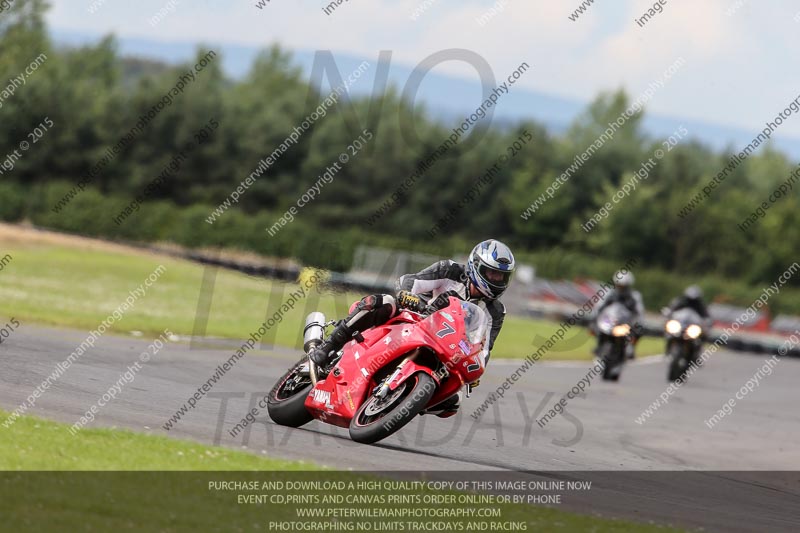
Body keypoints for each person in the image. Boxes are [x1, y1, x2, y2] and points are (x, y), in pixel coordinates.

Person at [309, 239, 516, 417]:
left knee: (454, 400)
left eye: (501, 277)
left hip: (446, 346)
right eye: (491, 273)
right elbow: (409, 281)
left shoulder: (496, 311)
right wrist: (410, 297)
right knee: (384, 302)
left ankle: (407, 398)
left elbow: (484, 348)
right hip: (414, 318)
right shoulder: (450, 270)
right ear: (475, 266)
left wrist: (474, 368)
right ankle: (328, 346)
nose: (496, 280)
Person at [593, 271, 645, 359]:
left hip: (625, 322)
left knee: (639, 330)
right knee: (596, 327)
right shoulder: (609, 294)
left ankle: (631, 348)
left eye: (623, 286)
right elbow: (599, 306)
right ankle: (599, 346)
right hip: (610, 320)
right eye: (620, 285)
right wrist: (596, 316)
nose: (621, 288)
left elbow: (640, 311)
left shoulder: (634, 296)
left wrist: (638, 321)